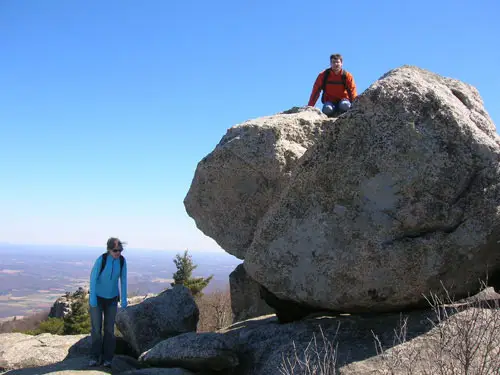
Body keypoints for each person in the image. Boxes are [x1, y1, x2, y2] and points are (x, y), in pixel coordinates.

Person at [88, 237, 128, 367]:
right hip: (98, 299)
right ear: (109, 250)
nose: (118, 253)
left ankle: (108, 359)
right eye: (115, 250)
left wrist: (124, 299)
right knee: (96, 329)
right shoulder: (102, 260)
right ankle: (95, 357)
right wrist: (92, 298)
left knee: (110, 330)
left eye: (120, 250)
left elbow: (123, 280)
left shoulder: (122, 261)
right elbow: (93, 279)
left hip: (112, 299)